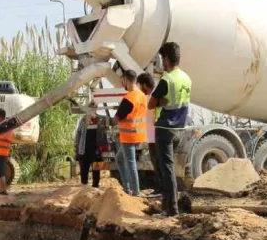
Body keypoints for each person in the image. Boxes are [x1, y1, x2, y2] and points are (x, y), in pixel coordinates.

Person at [150, 41, 192, 215]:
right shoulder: (186, 78)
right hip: (179, 128)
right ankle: (166, 206)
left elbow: (150, 104)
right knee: (166, 167)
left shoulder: (166, 80)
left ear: (166, 59)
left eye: (161, 58)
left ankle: (172, 208)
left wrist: (160, 101)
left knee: (166, 169)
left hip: (164, 128)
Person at [113, 69, 148, 197]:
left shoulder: (129, 98)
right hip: (139, 134)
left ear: (126, 80)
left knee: (131, 163)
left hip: (129, 135)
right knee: (120, 158)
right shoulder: (142, 95)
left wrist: (116, 118)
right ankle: (127, 188)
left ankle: (135, 192)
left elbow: (117, 117)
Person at [73, 109, 108, 188]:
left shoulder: (100, 119)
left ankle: (95, 185)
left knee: (96, 168)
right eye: (91, 107)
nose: (92, 109)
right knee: (84, 167)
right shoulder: (83, 120)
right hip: (84, 147)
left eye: (94, 107)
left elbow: (104, 133)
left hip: (96, 148)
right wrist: (76, 145)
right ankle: (84, 185)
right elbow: (78, 133)